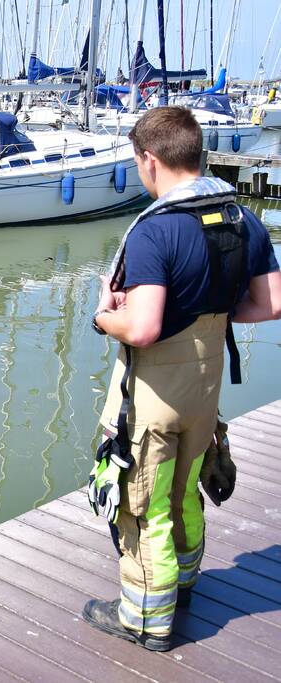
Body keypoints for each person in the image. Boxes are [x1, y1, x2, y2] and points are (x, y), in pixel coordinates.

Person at [84, 106, 281, 651]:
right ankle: (185, 582)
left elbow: (143, 328)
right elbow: (271, 303)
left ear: (149, 159)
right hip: (205, 390)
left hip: (155, 394)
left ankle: (145, 619)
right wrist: (209, 314)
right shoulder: (241, 218)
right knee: (183, 489)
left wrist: (103, 315)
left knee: (141, 504)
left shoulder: (157, 230)